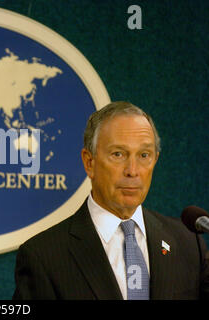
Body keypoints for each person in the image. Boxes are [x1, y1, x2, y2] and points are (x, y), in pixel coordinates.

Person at [13, 101, 209, 300]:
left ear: (155, 160)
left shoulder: (188, 243)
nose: (133, 171)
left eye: (144, 155)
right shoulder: (43, 256)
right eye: (118, 154)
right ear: (89, 163)